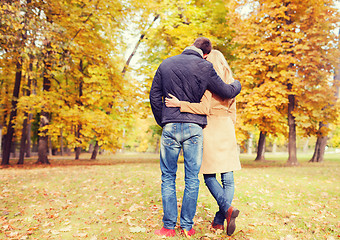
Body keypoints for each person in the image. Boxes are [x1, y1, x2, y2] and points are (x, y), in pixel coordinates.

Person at [149, 37, 241, 238]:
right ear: (205, 53)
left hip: (172, 125)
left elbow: (154, 96)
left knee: (168, 177)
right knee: (193, 179)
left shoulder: (166, 64)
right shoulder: (204, 68)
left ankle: (168, 227)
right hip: (196, 127)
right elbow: (227, 92)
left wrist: (163, 120)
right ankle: (188, 227)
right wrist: (237, 85)